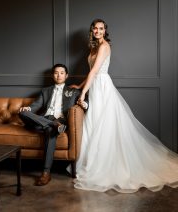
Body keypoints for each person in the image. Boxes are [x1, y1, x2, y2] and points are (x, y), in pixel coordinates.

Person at [71, 18, 178, 193]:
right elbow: (91, 72)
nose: (98, 31)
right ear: (92, 31)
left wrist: (83, 94)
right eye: (95, 29)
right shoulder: (93, 47)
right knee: (94, 122)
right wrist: (81, 86)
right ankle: (91, 161)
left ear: (105, 31)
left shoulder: (105, 46)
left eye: (101, 28)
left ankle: (105, 164)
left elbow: (95, 71)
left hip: (103, 88)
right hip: (95, 86)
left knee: (104, 125)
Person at [19, 63, 88, 186]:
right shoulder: (45, 91)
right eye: (56, 73)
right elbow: (36, 106)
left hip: (61, 120)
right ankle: (52, 124)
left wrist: (84, 104)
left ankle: (46, 173)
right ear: (52, 75)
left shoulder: (73, 91)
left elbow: (86, 102)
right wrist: (28, 108)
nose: (59, 75)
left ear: (66, 76)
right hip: (46, 119)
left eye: (62, 73)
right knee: (22, 113)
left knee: (50, 131)